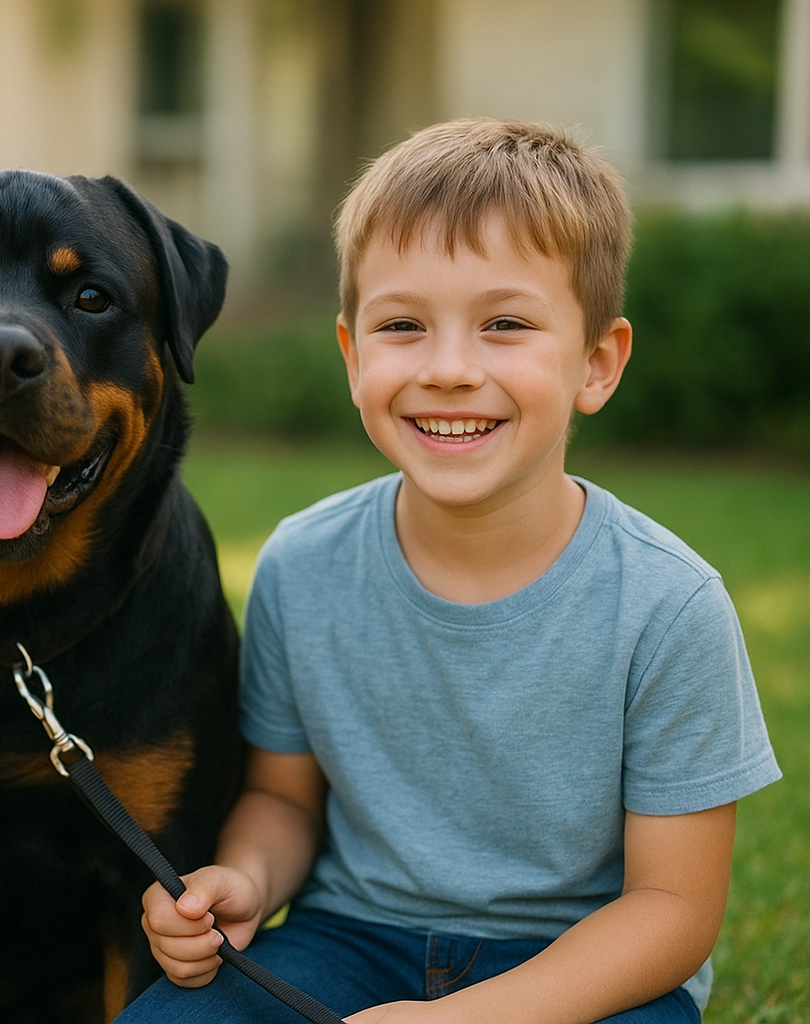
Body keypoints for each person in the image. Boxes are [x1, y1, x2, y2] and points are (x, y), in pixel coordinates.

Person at [120, 118, 780, 1024]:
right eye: (403, 326)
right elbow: (282, 796)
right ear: (354, 358)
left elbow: (672, 911)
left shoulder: (669, 604)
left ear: (598, 362)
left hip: (583, 970)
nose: (451, 368)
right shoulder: (303, 564)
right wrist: (241, 878)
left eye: (505, 324)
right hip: (347, 941)